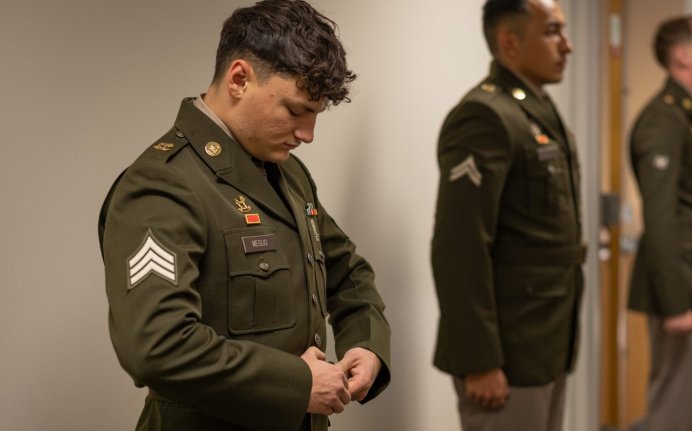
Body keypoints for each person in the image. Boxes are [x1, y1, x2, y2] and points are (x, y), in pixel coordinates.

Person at [97, 2, 390, 430]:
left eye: (315, 115)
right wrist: (297, 383)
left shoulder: (287, 174)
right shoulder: (163, 185)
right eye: (294, 111)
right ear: (239, 79)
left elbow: (347, 271)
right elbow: (156, 345)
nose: (308, 134)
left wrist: (366, 343)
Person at [431, 1, 584, 430]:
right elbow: (458, 247)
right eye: (553, 31)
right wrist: (479, 361)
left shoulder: (538, 109)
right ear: (510, 42)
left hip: (545, 341)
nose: (567, 45)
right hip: (506, 354)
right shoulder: (485, 116)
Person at [628, 15, 692, 431]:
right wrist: (674, 301)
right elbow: (660, 218)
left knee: (685, 408)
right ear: (682, 56)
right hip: (679, 284)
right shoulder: (664, 120)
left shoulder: (690, 114)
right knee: (673, 409)